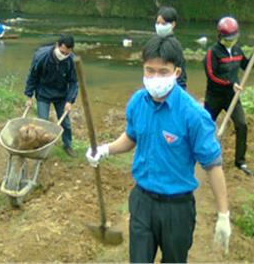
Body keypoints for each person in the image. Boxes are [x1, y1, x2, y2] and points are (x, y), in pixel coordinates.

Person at [86, 36, 231, 263]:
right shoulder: (137, 102)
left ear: (176, 72)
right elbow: (131, 137)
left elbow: (212, 166)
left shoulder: (193, 115)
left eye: (163, 72)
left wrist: (224, 214)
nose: (155, 78)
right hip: (142, 201)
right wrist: (105, 150)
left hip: (177, 208)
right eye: (149, 70)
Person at [203, 16, 254, 175]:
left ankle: (240, 162)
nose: (231, 41)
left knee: (242, 124)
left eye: (233, 38)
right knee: (204, 126)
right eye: (228, 38)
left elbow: (246, 66)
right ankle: (200, 155)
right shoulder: (212, 53)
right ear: (220, 36)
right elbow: (212, 76)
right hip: (214, 97)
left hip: (233, 96)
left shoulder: (237, 50)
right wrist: (230, 84)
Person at [24, 35, 78, 157]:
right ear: (57, 45)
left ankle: (67, 145)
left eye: (67, 53)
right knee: (43, 122)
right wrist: (29, 95)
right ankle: (41, 146)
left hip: (61, 95)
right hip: (43, 93)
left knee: (65, 123)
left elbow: (74, 82)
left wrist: (70, 100)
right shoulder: (41, 56)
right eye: (62, 52)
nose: (64, 55)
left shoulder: (71, 61)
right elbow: (32, 76)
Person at [154, 6, 188, 89]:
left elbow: (181, 75)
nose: (160, 26)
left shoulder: (174, 46)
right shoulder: (154, 43)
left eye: (164, 24)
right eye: (158, 23)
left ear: (173, 24)